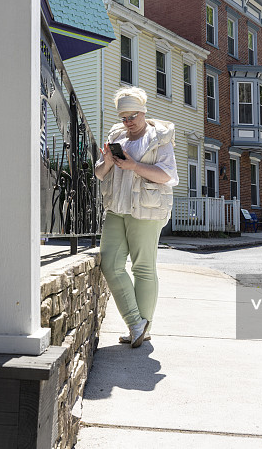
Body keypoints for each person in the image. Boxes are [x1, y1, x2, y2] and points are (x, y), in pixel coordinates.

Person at [94, 87, 178, 348]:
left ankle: (142, 327)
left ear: (143, 112)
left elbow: (167, 176)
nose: (128, 122)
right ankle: (136, 323)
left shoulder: (159, 137)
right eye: (124, 117)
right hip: (117, 208)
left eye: (133, 116)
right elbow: (99, 173)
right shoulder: (117, 136)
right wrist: (107, 160)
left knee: (143, 268)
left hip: (147, 210)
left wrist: (133, 166)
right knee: (110, 263)